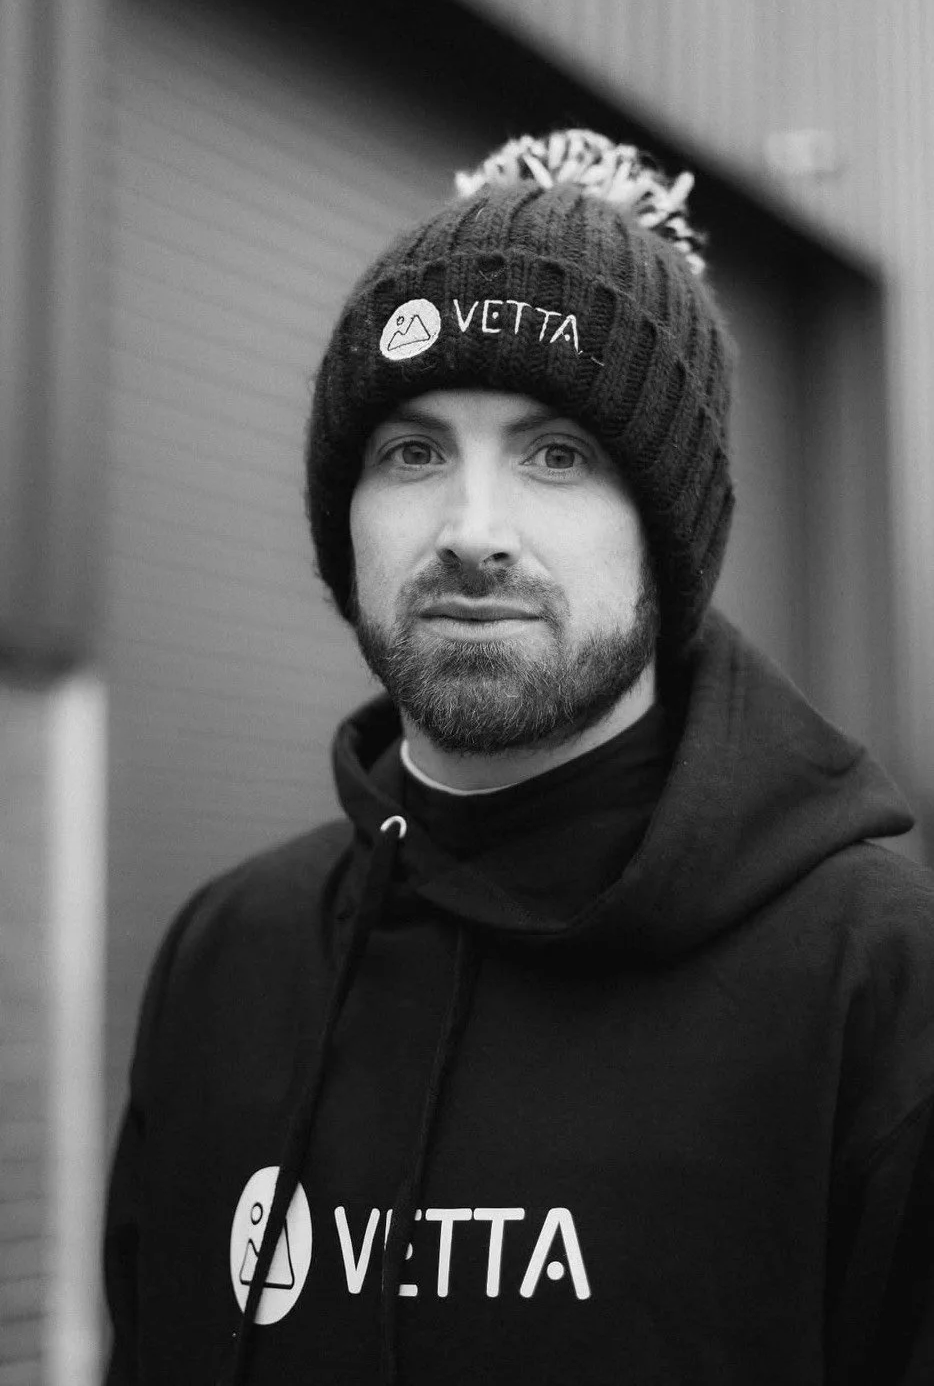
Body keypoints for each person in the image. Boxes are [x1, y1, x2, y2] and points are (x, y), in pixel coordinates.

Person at [103, 130, 934, 1385]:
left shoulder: (872, 978)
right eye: (414, 451)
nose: (472, 531)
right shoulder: (228, 954)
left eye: (558, 454)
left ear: (668, 537)